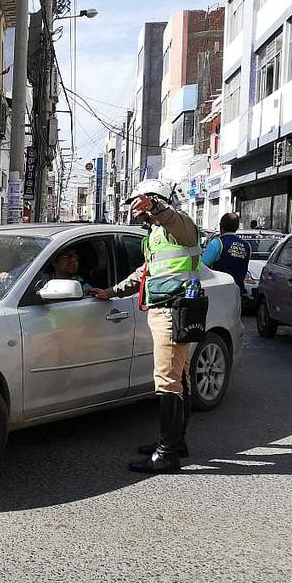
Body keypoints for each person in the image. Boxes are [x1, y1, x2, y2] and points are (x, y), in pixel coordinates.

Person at [89, 179, 201, 474]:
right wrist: (111, 292)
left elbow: (173, 219)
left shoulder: (180, 226)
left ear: (155, 201)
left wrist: (155, 207)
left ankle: (167, 454)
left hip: (173, 309)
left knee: (167, 381)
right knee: (180, 377)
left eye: (140, 205)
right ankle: (176, 442)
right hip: (165, 309)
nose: (136, 212)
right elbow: (145, 272)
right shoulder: (155, 235)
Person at [202, 212, 251, 291]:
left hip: (218, 289)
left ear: (221, 226)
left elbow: (203, 266)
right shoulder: (246, 245)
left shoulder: (217, 243)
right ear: (237, 227)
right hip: (237, 290)